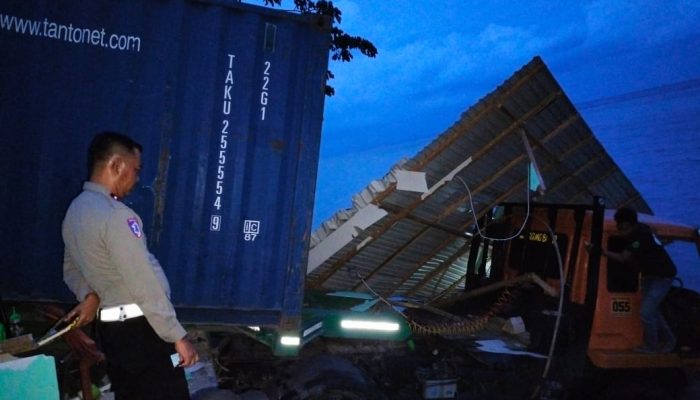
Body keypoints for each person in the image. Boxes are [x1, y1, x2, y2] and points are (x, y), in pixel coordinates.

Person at [62, 132, 198, 399]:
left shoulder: (75, 211)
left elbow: (70, 268)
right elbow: (143, 282)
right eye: (135, 170)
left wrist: (89, 294)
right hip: (143, 333)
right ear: (116, 165)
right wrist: (177, 336)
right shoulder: (116, 216)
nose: (136, 180)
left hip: (113, 333)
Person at [586, 207, 677, 354]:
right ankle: (670, 340)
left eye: (621, 228)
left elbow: (623, 257)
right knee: (653, 311)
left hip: (662, 277)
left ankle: (652, 346)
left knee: (646, 312)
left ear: (628, 225)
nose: (620, 231)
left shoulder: (640, 236)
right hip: (649, 275)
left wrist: (600, 251)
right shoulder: (642, 230)